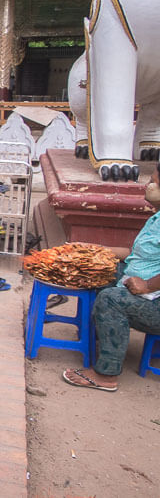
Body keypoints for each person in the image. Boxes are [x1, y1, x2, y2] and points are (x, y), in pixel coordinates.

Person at [62, 164, 160, 392]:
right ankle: (98, 337)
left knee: (110, 299)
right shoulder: (156, 218)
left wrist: (147, 285)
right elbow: (136, 254)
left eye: (154, 182)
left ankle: (106, 375)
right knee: (101, 272)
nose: (149, 187)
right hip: (145, 288)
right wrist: (94, 250)